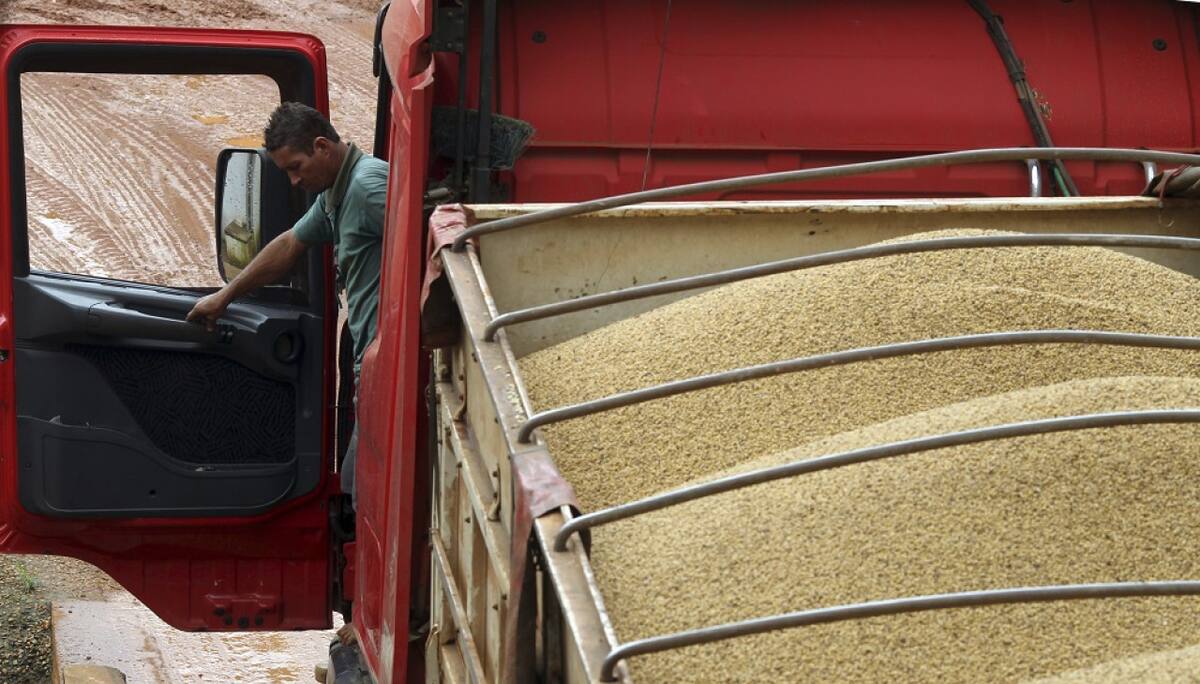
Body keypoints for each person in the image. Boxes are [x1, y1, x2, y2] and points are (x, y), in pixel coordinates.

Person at [188, 102, 387, 509]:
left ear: (322, 147)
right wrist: (224, 297)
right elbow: (290, 244)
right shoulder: (337, 192)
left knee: (363, 496)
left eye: (296, 167)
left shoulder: (368, 188)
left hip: (387, 366)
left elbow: (431, 246)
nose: (295, 181)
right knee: (355, 491)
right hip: (370, 363)